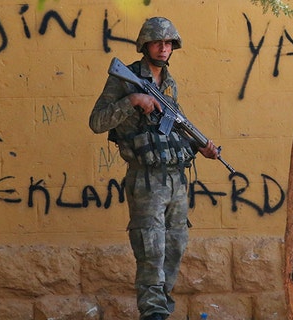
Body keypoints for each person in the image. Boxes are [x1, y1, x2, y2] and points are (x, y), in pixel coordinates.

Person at [89, 17, 218, 320]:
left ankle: (162, 309)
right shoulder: (126, 78)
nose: (164, 48)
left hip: (175, 180)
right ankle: (153, 314)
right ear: (144, 44)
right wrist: (133, 100)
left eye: (169, 42)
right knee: (151, 251)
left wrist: (200, 146)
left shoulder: (169, 83)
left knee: (174, 247)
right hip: (146, 181)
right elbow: (97, 122)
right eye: (158, 42)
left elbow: (173, 127)